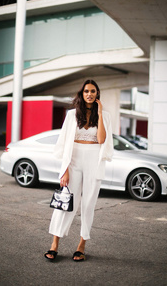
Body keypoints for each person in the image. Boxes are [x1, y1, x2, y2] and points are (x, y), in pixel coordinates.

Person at [44, 79, 113, 262]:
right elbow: (64, 142)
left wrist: (99, 112)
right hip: (74, 159)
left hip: (93, 160)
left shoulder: (104, 116)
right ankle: (54, 244)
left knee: (88, 204)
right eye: (86, 91)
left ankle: (81, 245)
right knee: (65, 203)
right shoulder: (72, 115)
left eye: (92, 91)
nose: (89, 94)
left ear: (97, 94)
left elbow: (101, 141)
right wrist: (64, 169)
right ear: (81, 94)